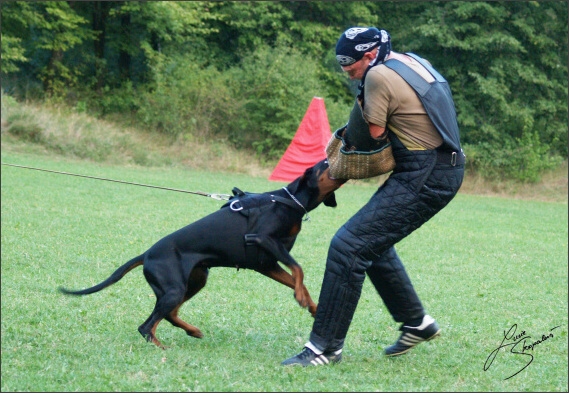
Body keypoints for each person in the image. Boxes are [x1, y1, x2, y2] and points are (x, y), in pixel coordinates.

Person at [281, 27, 465, 366]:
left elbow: (373, 134)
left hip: (425, 173)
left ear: (369, 56)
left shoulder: (378, 75)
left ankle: (325, 349)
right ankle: (417, 323)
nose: (348, 75)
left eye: (351, 69)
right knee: (371, 243)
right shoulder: (410, 61)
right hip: (441, 167)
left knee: (348, 245)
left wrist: (349, 138)